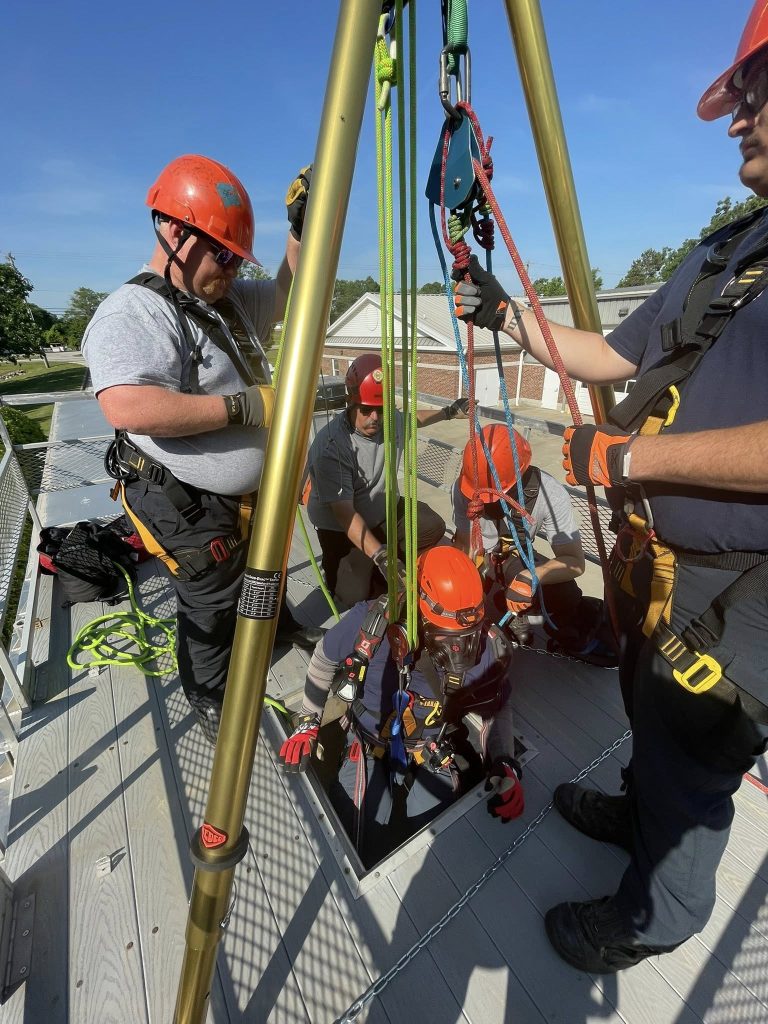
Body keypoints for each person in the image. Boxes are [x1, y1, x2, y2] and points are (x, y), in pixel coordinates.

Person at [452, 0, 768, 974]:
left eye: (757, 86)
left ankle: (653, 916)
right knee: (654, 718)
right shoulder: (727, 252)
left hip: (749, 593)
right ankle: (641, 808)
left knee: (695, 757)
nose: (739, 112)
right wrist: (510, 318)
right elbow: (609, 356)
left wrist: (628, 462)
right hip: (666, 566)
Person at [82, 154, 322, 745]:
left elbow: (291, 291)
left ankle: (276, 625)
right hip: (184, 498)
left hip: (243, 491)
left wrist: (299, 228)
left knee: (262, 563)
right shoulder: (132, 312)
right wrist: (246, 408)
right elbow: (128, 406)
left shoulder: (225, 300)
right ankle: (208, 693)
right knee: (211, 602)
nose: (234, 269)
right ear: (174, 232)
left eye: (239, 258)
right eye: (224, 254)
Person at [277, 545, 524, 867]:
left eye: (468, 635)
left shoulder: (489, 650)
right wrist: (309, 721)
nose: (460, 652)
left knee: (439, 840)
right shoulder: (372, 624)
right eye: (446, 636)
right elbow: (323, 660)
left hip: (432, 746)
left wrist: (504, 761)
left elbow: (496, 708)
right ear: (416, 612)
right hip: (368, 743)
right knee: (359, 836)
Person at [306, 352, 467, 604]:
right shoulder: (332, 447)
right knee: (354, 597)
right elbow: (344, 514)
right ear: (351, 402)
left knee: (432, 525)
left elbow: (414, 419)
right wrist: (382, 557)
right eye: (367, 410)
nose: (375, 419)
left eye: (381, 410)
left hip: (383, 511)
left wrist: (448, 412)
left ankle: (387, 558)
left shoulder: (386, 420)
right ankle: (356, 566)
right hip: (343, 529)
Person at [452, 423, 614, 662]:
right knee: (460, 599)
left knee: (564, 592)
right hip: (482, 558)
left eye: (496, 493)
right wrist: (464, 591)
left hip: (515, 556)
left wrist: (533, 577)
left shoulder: (549, 493)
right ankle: (499, 599)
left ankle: (565, 630)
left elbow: (575, 563)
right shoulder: (466, 487)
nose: (488, 501)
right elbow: (465, 546)